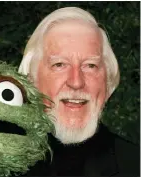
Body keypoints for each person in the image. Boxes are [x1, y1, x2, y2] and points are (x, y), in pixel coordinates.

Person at [19, 7, 139, 176]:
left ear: (108, 82)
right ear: (31, 79)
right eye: (59, 65)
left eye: (90, 65)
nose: (76, 82)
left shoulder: (135, 165)